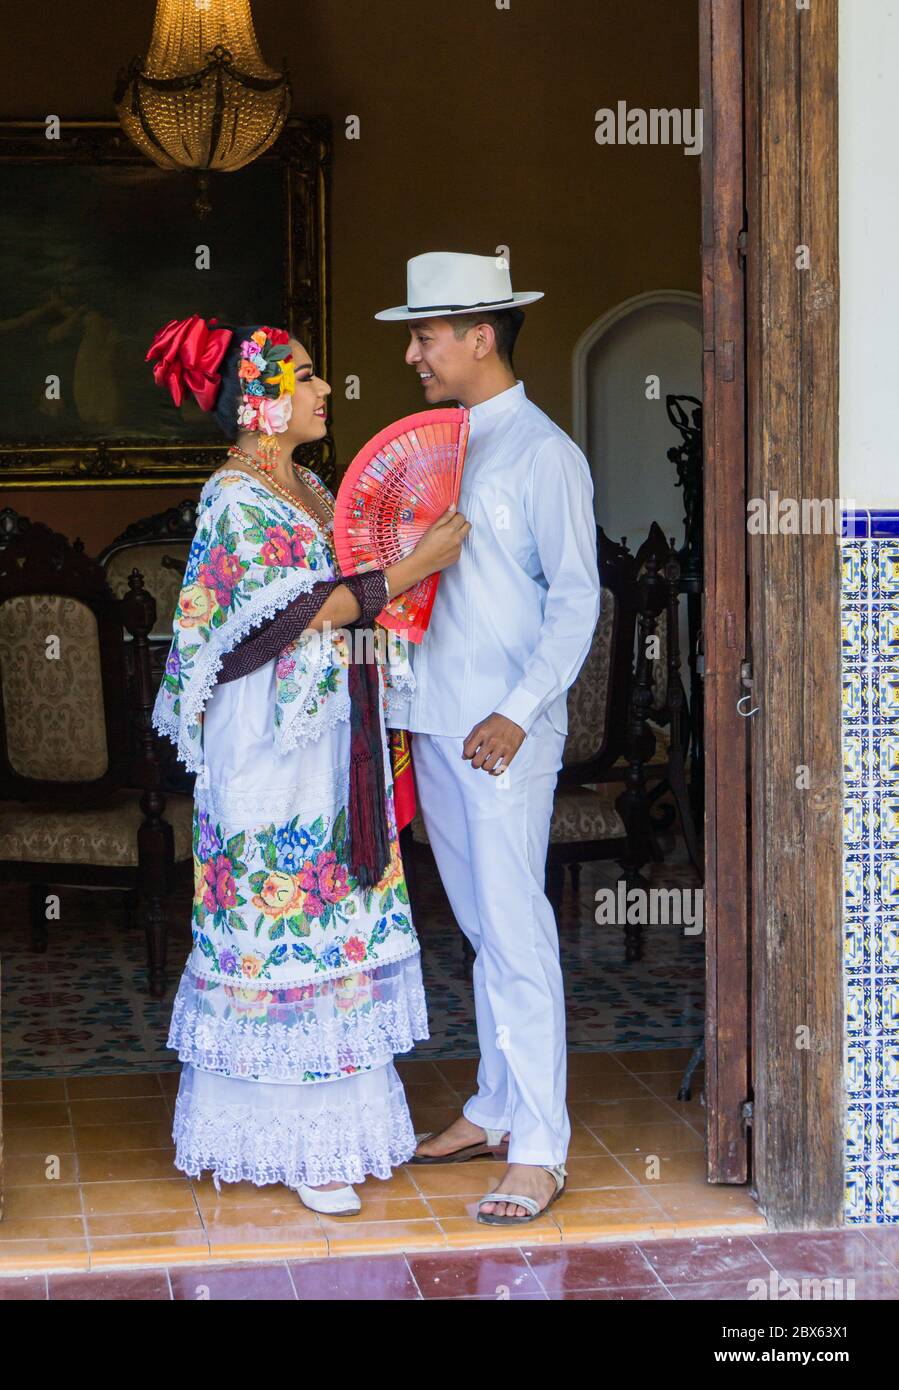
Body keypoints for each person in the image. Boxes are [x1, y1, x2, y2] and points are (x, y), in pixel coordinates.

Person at [147, 314, 469, 1216]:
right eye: (305, 375)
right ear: (260, 399)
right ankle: (285, 1139)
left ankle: (334, 1130)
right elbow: (287, 618)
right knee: (276, 913)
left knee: (335, 916)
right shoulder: (234, 499)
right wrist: (412, 567)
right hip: (267, 743)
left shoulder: (311, 489)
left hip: (326, 735)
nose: (324, 389)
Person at [375, 252, 602, 1225]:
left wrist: (518, 709)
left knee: (514, 928)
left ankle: (541, 1147)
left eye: (424, 337)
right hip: (432, 719)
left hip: (504, 729)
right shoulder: (437, 448)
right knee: (477, 926)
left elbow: (577, 597)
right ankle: (494, 1106)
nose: (412, 355)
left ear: (479, 336)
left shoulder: (543, 452)